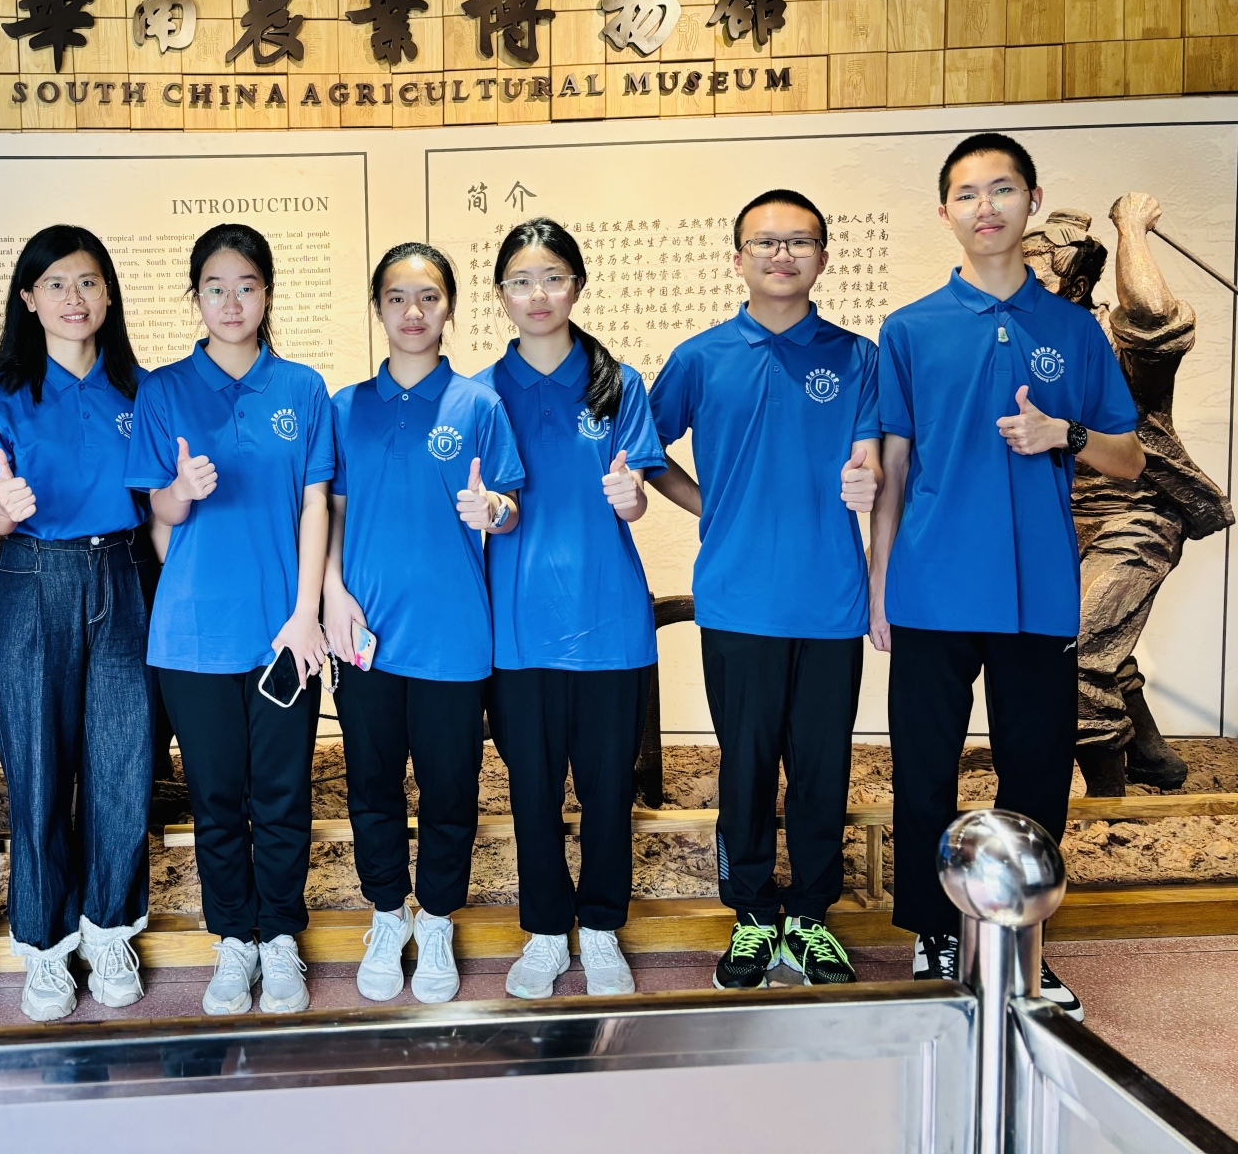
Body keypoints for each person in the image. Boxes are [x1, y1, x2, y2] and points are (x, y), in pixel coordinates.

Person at [872, 133, 1144, 1022]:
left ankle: (1019, 937)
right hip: (931, 588)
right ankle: (933, 933)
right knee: (924, 773)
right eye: (967, 193)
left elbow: (1130, 459)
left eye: (1002, 189)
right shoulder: (909, 329)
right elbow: (894, 467)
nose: (985, 206)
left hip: (1038, 593)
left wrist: (1064, 434)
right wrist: (879, 586)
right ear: (944, 211)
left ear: (1032, 201)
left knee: (1035, 775)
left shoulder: (1074, 330)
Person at [647, 190, 881, 993]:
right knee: (745, 765)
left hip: (831, 598)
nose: (783, 255)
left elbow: (876, 454)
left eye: (800, 242)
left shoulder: (857, 358)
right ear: (738, 257)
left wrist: (868, 479)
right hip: (737, 597)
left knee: (822, 767)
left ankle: (810, 917)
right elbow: (644, 449)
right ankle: (751, 912)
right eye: (766, 242)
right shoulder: (701, 357)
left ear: (823, 257)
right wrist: (707, 504)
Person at [126, 224, 334, 1017]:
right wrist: (182, 489)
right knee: (215, 798)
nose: (231, 302)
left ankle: (278, 936)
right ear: (196, 297)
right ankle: (233, 941)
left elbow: (316, 505)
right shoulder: (164, 390)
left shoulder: (303, 389)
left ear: (267, 293)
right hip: (192, 635)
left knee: (281, 793)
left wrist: (306, 614)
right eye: (215, 288)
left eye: (246, 286)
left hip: (284, 633)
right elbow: (160, 514)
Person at [323, 242, 525, 1005]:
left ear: (450, 307)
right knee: (371, 785)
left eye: (430, 297)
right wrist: (332, 594)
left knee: (450, 789)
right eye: (398, 297)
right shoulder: (345, 408)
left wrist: (493, 509)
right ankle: (387, 913)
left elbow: (510, 506)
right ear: (378, 307)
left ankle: (435, 917)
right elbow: (328, 513)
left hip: (453, 636)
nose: (414, 312)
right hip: (365, 636)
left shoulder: (479, 405)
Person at [0, 225, 152, 1023]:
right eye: (56, 284)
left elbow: (162, 509)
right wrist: (0, 508)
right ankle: (43, 944)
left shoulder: (139, 390)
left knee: (121, 761)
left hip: (123, 574)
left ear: (108, 295)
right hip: (32, 577)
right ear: (28, 298)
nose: (74, 298)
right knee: (37, 767)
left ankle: (109, 928)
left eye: (88, 282)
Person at [476, 218, 663, 1001]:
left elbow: (639, 494)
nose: (538, 294)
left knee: (607, 790)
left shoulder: (618, 384)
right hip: (518, 628)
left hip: (610, 621)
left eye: (552, 277)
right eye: (521, 281)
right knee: (533, 791)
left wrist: (632, 499)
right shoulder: (479, 393)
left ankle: (603, 927)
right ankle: (548, 931)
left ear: (576, 286)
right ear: (501, 295)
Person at [1021, 201, 1233, 797]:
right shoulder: (1011, 340)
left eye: (1036, 275)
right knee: (1088, 632)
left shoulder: (1119, 341)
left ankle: (1107, 802)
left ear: (1077, 283)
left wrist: (1131, 229)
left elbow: (1155, 317)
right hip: (1050, 518)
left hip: (1133, 514)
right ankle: (1152, 759)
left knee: (1078, 644)